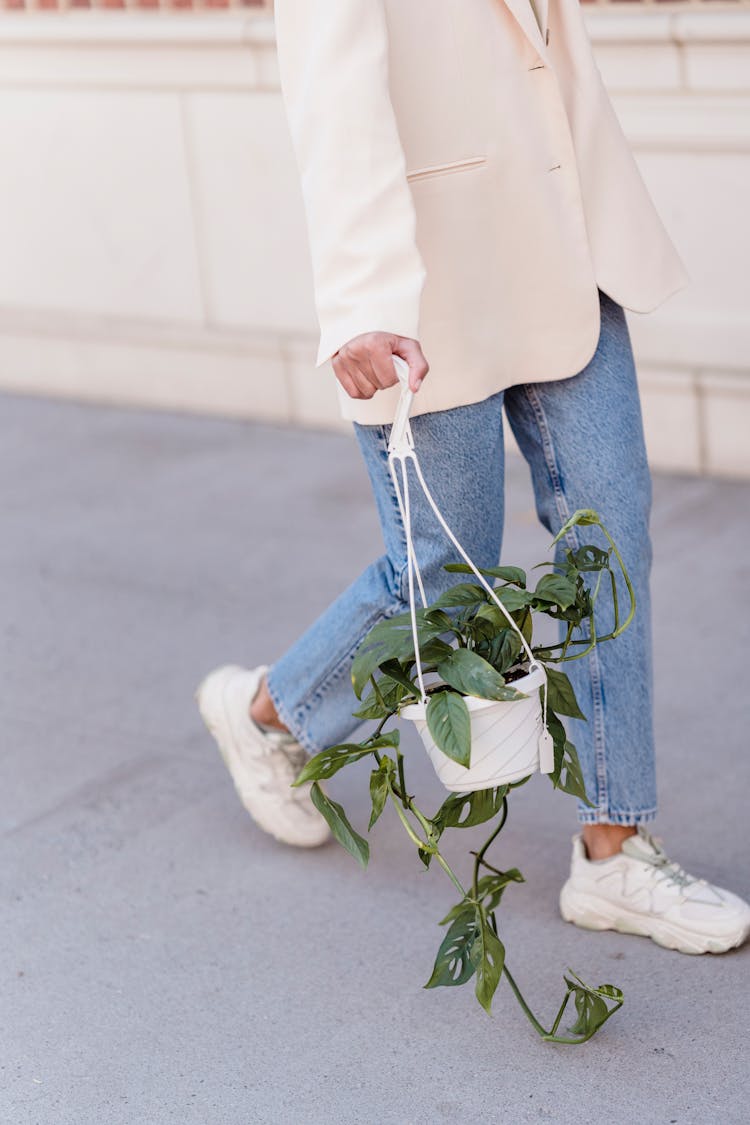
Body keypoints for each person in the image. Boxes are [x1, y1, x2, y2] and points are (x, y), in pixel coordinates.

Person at [197, 0, 750, 955]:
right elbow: (335, 95)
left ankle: (617, 846)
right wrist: (363, 302)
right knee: (446, 585)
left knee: (609, 537)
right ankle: (268, 711)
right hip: (425, 281)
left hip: (561, 242)